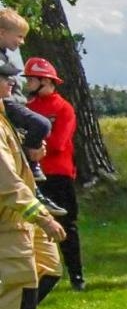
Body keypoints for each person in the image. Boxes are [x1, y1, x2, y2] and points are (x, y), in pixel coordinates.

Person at [0, 61, 65, 309]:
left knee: (49, 268)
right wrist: (43, 217)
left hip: (22, 216)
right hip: (9, 217)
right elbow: (7, 183)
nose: (12, 84)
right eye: (4, 79)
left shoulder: (5, 115)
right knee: (20, 279)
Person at [22, 57, 83, 289]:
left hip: (59, 174)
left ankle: (77, 276)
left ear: (45, 80)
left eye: (31, 79)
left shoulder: (64, 108)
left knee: (67, 225)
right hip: (33, 175)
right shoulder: (26, 108)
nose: (27, 83)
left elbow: (58, 143)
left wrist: (32, 144)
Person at [0, 9, 66, 218]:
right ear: (2, 32)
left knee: (29, 135)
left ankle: (34, 179)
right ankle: (33, 168)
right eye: (19, 36)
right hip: (8, 104)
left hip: (11, 103)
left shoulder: (4, 55)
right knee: (42, 124)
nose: (22, 42)